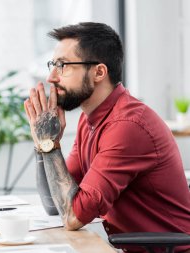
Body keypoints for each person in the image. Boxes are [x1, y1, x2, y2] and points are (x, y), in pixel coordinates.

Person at [24, 22, 190, 253]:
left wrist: (50, 146)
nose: (52, 77)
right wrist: (43, 143)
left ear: (99, 72)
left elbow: (72, 216)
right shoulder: (89, 119)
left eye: (63, 65)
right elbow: (56, 205)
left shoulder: (127, 126)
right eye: (53, 65)